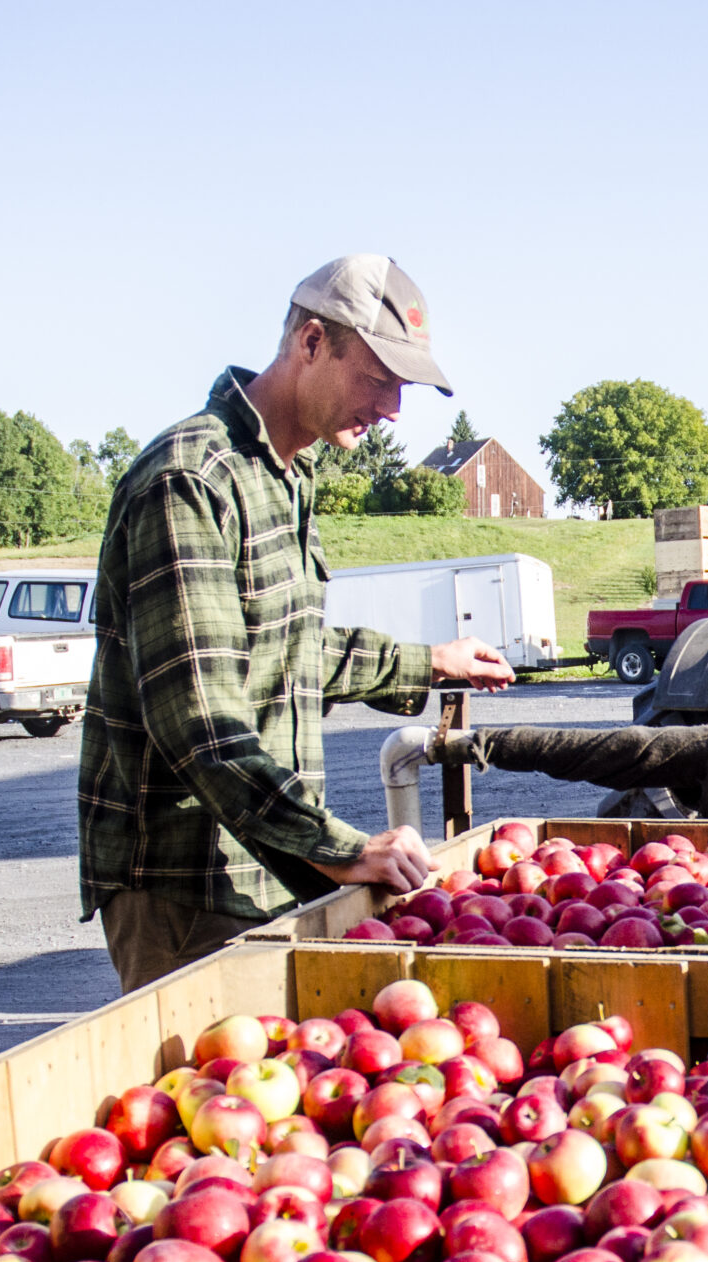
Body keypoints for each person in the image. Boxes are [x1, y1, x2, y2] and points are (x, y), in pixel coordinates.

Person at [79, 254, 515, 992]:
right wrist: (341, 849)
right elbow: (199, 721)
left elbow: (289, 650)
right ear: (311, 342)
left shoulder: (285, 473)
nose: (391, 412)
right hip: (189, 877)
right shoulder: (192, 480)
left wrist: (430, 662)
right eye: (379, 380)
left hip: (267, 862)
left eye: (402, 389)